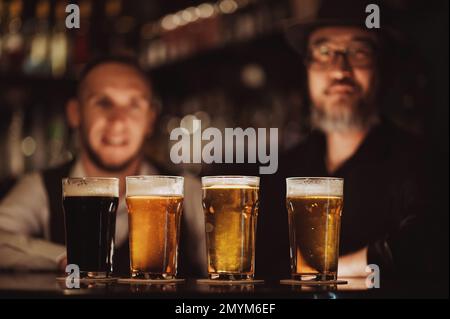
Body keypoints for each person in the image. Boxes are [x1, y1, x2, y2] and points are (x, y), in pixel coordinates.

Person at [257, 0, 438, 279]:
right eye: (324, 52)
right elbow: (260, 269)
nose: (340, 70)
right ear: (307, 68)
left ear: (380, 67)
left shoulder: (422, 161)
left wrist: (328, 272)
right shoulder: (280, 172)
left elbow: (426, 247)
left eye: (359, 52)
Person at [0, 56, 207, 277]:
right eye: (103, 103)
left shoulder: (188, 191)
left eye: (134, 105)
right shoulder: (41, 187)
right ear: (75, 113)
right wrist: (63, 258)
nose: (118, 121)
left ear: (150, 119)